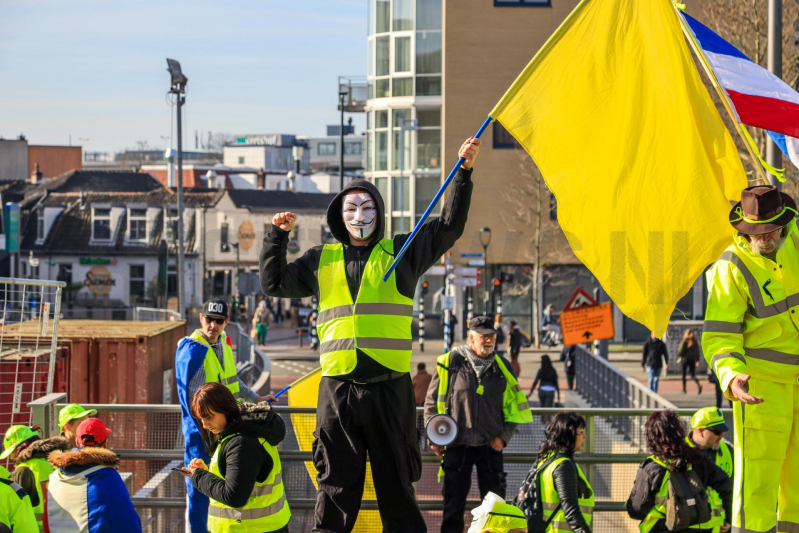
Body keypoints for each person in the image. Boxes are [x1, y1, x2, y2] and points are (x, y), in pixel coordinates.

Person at [260, 136, 481, 532]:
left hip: (389, 389)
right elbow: (274, 284)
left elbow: (449, 227)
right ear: (338, 215)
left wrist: (463, 173)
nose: (359, 214)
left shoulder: (402, 252)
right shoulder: (319, 260)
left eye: (366, 206)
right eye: (350, 207)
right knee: (335, 489)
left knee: (397, 486)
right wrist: (276, 239)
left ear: (379, 213)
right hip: (338, 391)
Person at [701, 185, 799, 533]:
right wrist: (731, 376)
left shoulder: (796, 240)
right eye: (759, 233)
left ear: (785, 223)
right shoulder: (731, 266)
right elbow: (719, 335)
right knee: (757, 480)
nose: (767, 238)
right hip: (760, 386)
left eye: (772, 230)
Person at [175, 298, 276, 533]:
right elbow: (194, 403)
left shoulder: (223, 344)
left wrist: (256, 399)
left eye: (218, 321)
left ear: (226, 322)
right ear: (201, 318)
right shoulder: (192, 350)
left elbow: (233, 381)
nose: (213, 325)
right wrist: (208, 430)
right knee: (199, 488)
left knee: (222, 486)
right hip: (204, 435)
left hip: (226, 431)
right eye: (209, 319)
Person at [425, 316, 532, 533]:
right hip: (457, 445)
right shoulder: (450, 363)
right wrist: (434, 437)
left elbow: (516, 406)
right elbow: (431, 403)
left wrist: (504, 436)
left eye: (491, 336)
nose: (488, 341)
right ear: (471, 338)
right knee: (453, 508)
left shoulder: (503, 368)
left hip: (490, 447)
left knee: (496, 510)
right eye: (483, 336)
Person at [181, 382, 290, 533]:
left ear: (225, 410)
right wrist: (205, 473)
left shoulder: (241, 444)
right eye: (201, 419)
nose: (205, 425)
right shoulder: (245, 432)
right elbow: (238, 479)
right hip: (264, 526)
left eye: (209, 417)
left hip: (250, 529)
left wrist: (198, 477)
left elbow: (234, 496)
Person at [626, 410, 732, 533]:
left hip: (661, 528)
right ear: (679, 432)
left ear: (651, 437)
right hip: (700, 527)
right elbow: (727, 487)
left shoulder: (651, 467)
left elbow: (636, 509)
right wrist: (728, 519)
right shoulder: (700, 459)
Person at [47, 417, 141, 532]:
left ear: (77, 441)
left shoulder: (55, 478)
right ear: (105, 443)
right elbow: (128, 524)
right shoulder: (108, 478)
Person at [527, 411, 594, 533]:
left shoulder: (547, 458)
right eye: (581, 432)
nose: (584, 436)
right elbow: (571, 510)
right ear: (569, 435)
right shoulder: (564, 466)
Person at [1, 425, 68, 532]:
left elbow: (20, 511)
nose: (12, 458)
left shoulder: (23, 470)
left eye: (12, 453)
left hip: (38, 528)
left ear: (21, 447)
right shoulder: (60, 461)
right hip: (65, 526)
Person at [685, 407, 733, 533]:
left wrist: (730, 519)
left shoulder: (729, 451)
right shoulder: (679, 453)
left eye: (723, 430)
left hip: (721, 528)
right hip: (690, 528)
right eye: (717, 431)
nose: (722, 435)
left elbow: (734, 490)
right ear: (700, 430)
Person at [677, 329, 702, 395]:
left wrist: (681, 355)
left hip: (685, 359)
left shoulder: (685, 340)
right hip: (692, 360)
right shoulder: (694, 341)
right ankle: (698, 385)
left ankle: (684, 389)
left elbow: (680, 350)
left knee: (684, 375)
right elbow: (697, 351)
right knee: (692, 374)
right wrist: (697, 359)